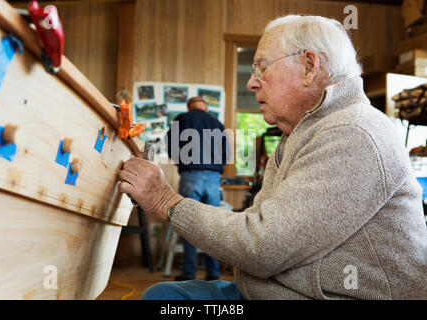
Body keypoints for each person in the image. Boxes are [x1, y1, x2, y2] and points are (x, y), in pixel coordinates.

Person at [117, 15, 427, 300]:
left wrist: (164, 201)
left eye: (262, 68)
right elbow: (254, 217)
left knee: (165, 299)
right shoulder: (298, 132)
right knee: (165, 297)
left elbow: (261, 247)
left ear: (309, 66)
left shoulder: (353, 132)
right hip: (265, 288)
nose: (251, 83)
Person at [165, 96, 230, 282]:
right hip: (212, 178)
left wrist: (180, 162)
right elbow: (225, 153)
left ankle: (189, 272)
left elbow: (171, 146)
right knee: (212, 226)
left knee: (188, 224)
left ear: (189, 107)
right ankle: (213, 273)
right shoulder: (217, 123)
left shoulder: (182, 118)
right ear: (206, 108)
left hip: (190, 175)